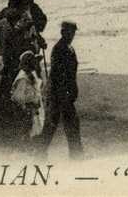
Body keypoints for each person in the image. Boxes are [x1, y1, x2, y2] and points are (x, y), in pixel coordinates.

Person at [41, 21, 82, 157]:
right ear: (63, 32)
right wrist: (65, 93)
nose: (72, 35)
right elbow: (57, 74)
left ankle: (40, 152)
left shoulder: (68, 47)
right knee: (58, 125)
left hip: (63, 93)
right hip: (59, 94)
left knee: (58, 125)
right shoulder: (60, 48)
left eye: (73, 32)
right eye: (70, 32)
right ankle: (76, 156)